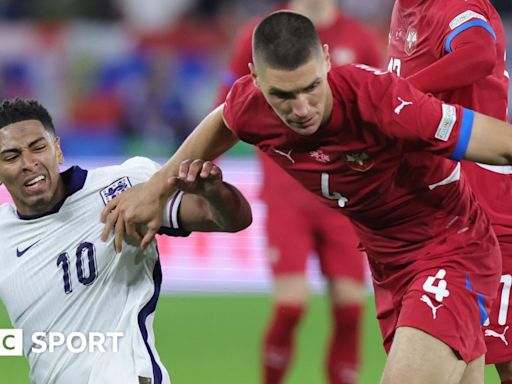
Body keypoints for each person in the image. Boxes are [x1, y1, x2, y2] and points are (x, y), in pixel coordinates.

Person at [100, 11, 512, 383]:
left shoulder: (382, 100)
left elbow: (498, 143)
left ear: (328, 61)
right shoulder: (252, 106)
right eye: (283, 96)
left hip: (451, 249)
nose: (301, 109)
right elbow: (223, 120)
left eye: (312, 87)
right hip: (388, 263)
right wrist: (157, 188)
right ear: (256, 79)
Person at [0, 98, 252, 384]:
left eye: (38, 147)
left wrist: (213, 193)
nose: (28, 163)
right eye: (11, 157)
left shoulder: (126, 187)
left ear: (57, 149)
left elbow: (231, 219)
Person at [216, 1, 382, 383]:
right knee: (291, 306)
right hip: (287, 193)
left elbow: (378, 106)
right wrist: (207, 167)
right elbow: (225, 110)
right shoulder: (262, 36)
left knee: (350, 309)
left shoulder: (359, 38)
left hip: (345, 199)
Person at [386, 1, 512, 382]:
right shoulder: (405, 8)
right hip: (436, 222)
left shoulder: (452, 4)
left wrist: (396, 93)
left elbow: (478, 53)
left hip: (487, 217)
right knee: (462, 366)